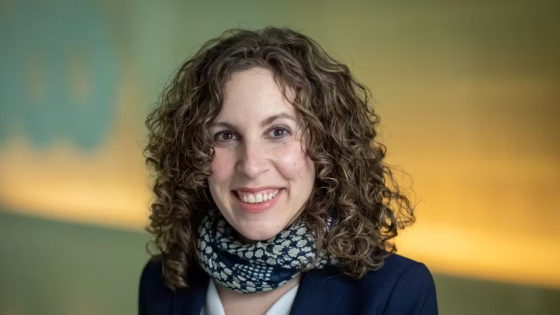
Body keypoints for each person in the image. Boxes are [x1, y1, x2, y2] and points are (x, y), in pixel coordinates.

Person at [139, 26, 438, 315]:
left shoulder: (395, 292)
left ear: (326, 145)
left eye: (278, 132)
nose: (252, 165)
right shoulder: (161, 281)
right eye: (226, 136)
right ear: (193, 154)